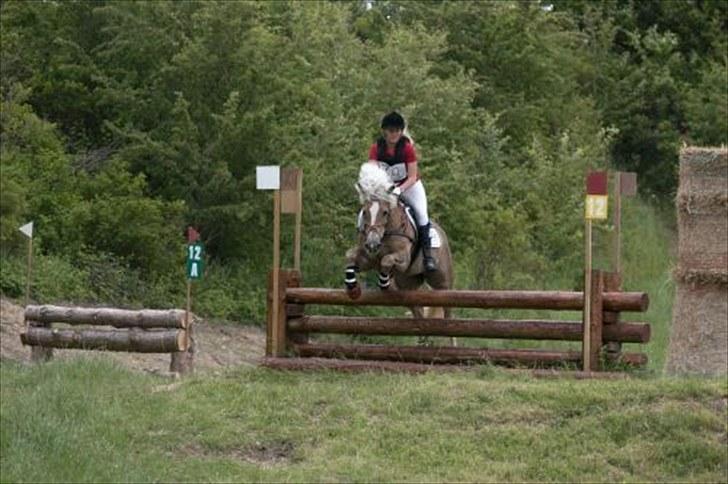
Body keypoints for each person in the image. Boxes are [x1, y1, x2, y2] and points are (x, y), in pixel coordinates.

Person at [368, 111, 437, 272]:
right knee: (370, 211)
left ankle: (428, 257)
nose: (394, 134)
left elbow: (412, 176)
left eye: (397, 131)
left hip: (409, 187)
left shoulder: (407, 148)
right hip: (386, 189)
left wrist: (399, 189)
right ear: (384, 131)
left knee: (421, 215)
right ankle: (366, 244)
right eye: (391, 131)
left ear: (401, 131)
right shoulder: (376, 148)